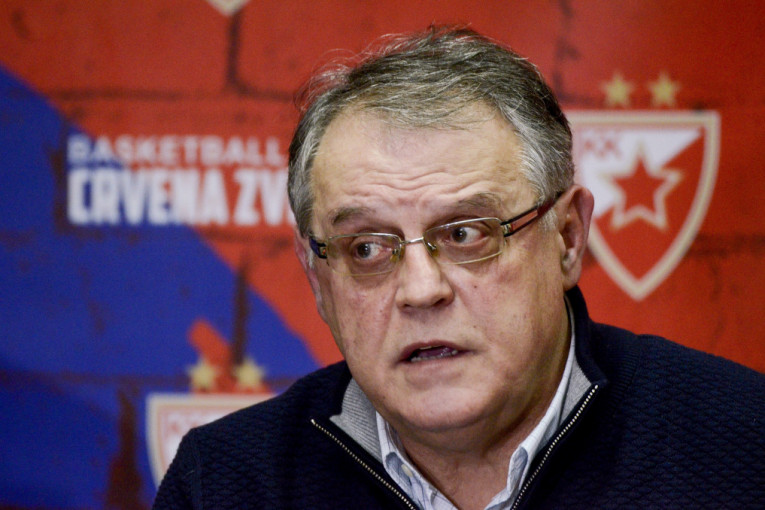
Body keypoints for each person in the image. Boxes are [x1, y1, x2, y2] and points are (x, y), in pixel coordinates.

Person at [153, 26, 764, 509]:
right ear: (318, 279)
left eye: (466, 234)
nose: (421, 290)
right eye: (366, 249)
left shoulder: (741, 444)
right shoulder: (227, 483)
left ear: (568, 239)